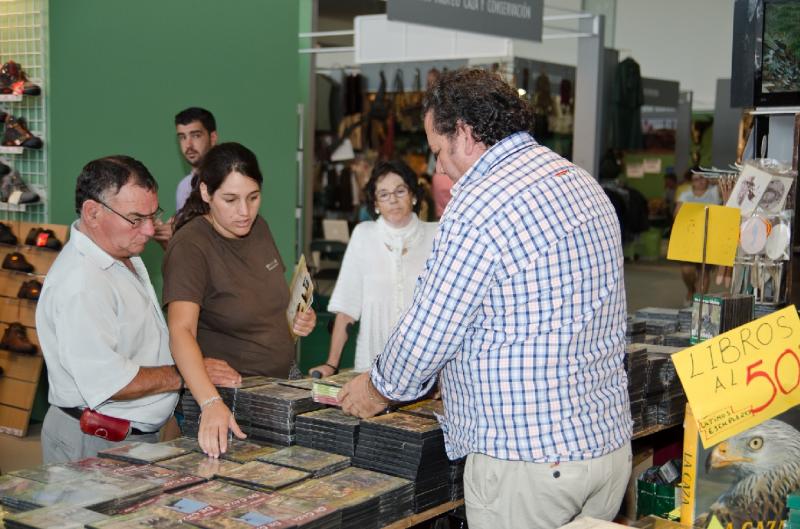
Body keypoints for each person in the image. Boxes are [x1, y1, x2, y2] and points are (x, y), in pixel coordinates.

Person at [339, 68, 632, 529]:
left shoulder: (480, 204)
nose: (439, 169)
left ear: (466, 132)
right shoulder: (579, 182)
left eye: (438, 151)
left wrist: (376, 389)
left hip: (528, 464)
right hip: (606, 449)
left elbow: (429, 331)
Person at [162, 142, 316, 458]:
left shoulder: (259, 228)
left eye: (253, 197)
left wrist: (299, 318)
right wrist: (210, 403)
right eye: (230, 200)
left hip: (282, 383)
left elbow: (270, 300)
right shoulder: (191, 247)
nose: (244, 212)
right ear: (206, 193)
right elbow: (180, 332)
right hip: (230, 399)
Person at [36, 156, 183, 463]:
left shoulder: (117, 251)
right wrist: (185, 374)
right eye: (135, 219)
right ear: (92, 213)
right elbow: (111, 382)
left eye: (152, 216)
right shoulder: (82, 283)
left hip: (125, 436)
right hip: (94, 442)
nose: (147, 231)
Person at [308, 160, 437, 377]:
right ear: (375, 203)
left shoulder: (437, 235)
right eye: (384, 194)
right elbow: (347, 308)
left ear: (414, 195)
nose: (393, 200)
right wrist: (331, 364)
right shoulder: (363, 235)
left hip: (426, 368)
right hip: (372, 366)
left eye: (400, 191)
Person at [152, 108, 219, 247]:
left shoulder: (227, 180)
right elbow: (187, 252)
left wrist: (181, 234)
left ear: (212, 138)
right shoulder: (184, 187)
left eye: (196, 135)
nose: (188, 145)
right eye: (182, 137)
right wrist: (166, 238)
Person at [675, 173, 721, 304]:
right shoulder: (685, 195)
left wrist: (714, 180)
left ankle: (699, 302)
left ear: (707, 180)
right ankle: (690, 289)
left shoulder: (714, 192)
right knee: (686, 270)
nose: (699, 181)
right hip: (689, 238)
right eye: (696, 179)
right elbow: (677, 214)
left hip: (709, 237)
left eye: (702, 178)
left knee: (703, 272)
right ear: (691, 182)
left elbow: (728, 185)